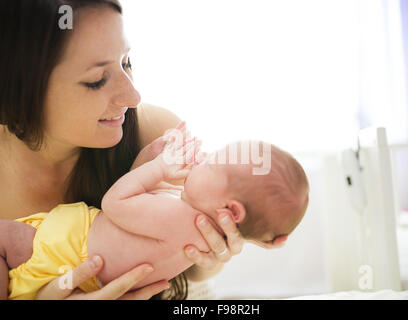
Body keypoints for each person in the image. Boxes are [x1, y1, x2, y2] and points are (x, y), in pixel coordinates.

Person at [0, 0, 245, 300]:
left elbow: (194, 278)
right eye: (96, 80)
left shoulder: (159, 139)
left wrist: (212, 254)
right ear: (15, 91)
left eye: (126, 61)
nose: (133, 96)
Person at [2, 125, 309, 300]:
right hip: (73, 271)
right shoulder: (196, 224)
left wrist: (159, 167)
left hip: (62, 251)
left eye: (212, 163)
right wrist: (149, 160)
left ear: (230, 210)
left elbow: (116, 204)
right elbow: (141, 214)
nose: (203, 161)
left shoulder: (179, 217)